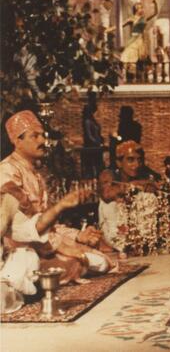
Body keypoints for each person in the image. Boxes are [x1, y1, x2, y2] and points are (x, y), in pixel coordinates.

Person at [0, 111, 113, 284]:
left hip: (43, 243)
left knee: (101, 262)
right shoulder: (7, 172)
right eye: (35, 136)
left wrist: (78, 235)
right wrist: (66, 247)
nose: (42, 141)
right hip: (20, 249)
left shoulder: (36, 174)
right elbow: (24, 228)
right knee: (77, 262)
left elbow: (48, 224)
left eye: (42, 135)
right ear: (17, 141)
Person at [1, 187, 91, 301]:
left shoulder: (6, 202)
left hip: (5, 270)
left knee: (26, 254)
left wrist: (60, 206)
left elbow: (33, 228)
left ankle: (10, 290)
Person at [98, 141, 170, 255]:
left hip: (137, 234)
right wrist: (136, 185)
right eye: (130, 160)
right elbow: (106, 194)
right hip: (114, 233)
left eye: (139, 160)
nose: (136, 164)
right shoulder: (107, 174)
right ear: (119, 162)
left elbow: (162, 189)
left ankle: (143, 242)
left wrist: (154, 189)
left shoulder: (144, 173)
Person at [120, 0, 158, 79]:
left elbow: (155, 13)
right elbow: (121, 25)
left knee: (142, 57)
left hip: (141, 40)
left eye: (141, 7)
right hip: (134, 39)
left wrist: (155, 4)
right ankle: (127, 73)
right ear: (135, 9)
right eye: (139, 7)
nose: (141, 9)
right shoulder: (131, 19)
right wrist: (110, 29)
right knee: (127, 55)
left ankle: (143, 73)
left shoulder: (143, 18)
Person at [81, 102, 104, 178]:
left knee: (99, 163)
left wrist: (100, 140)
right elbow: (89, 136)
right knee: (92, 164)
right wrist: (96, 143)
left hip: (97, 145)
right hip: (91, 146)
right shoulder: (87, 122)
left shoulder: (93, 121)